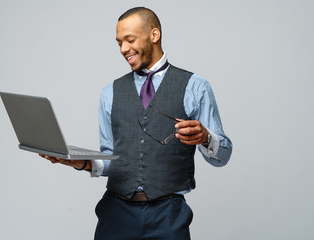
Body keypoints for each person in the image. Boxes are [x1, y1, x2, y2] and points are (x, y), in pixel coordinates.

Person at [41, 7, 232, 240]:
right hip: (115, 214)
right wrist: (82, 162)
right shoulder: (109, 93)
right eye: (119, 42)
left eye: (129, 40)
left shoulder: (195, 86)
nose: (123, 49)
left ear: (154, 35)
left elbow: (223, 156)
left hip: (168, 215)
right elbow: (112, 161)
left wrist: (205, 137)